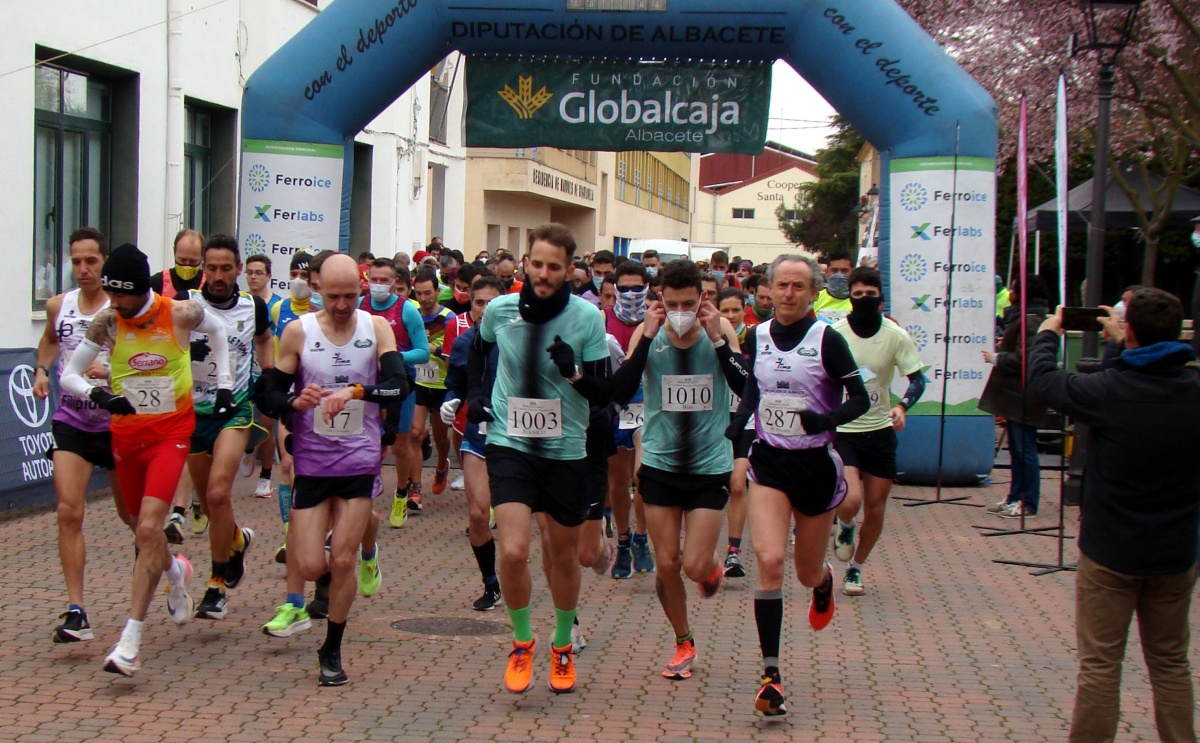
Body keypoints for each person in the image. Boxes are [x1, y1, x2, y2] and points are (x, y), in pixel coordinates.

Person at [1026, 290, 1200, 742]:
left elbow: (1045, 382)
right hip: (1175, 552)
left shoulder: (1108, 392)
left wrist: (1048, 334)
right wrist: (1120, 347)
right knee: (1170, 662)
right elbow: (1132, 370)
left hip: (1111, 551)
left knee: (1102, 665)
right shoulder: (1191, 390)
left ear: (1133, 332)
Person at [60, 243, 236, 676]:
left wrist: (226, 384)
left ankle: (130, 641)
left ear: (140, 289)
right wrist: (98, 394)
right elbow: (69, 373)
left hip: (170, 435)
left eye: (121, 294)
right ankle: (176, 573)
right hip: (126, 437)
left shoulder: (178, 313)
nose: (113, 301)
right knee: (139, 528)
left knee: (147, 528)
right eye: (110, 293)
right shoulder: (107, 322)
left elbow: (218, 333)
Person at [467, 223, 611, 695]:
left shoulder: (588, 319)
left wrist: (573, 372)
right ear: (525, 263)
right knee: (512, 550)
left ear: (570, 271)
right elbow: (479, 348)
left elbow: (602, 392)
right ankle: (523, 639)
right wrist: (475, 396)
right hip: (510, 443)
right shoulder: (502, 310)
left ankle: (563, 644)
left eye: (554, 266)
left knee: (564, 555)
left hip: (565, 449)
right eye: (537, 264)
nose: (544, 274)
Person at [257, 253, 407, 686]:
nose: (343, 305)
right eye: (334, 295)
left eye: (351, 295)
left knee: (340, 559)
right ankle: (367, 543)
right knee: (307, 564)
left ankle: (332, 649)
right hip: (313, 462)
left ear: (361, 290)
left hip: (359, 459)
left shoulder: (375, 328)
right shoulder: (298, 331)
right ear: (318, 288)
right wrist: (292, 401)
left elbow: (400, 385)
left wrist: (360, 390)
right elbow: (267, 391)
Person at [728, 254, 869, 716]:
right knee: (769, 560)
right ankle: (771, 676)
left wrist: (825, 419)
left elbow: (860, 398)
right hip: (769, 464)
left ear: (813, 293)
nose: (788, 294)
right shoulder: (758, 334)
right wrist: (740, 422)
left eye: (798, 287)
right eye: (781, 285)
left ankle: (824, 581)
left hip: (815, 467)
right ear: (767, 289)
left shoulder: (827, 339)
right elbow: (755, 386)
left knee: (805, 572)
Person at [610, 259, 746, 681]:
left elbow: (746, 387)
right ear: (660, 300)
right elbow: (621, 388)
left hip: (708, 465)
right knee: (667, 564)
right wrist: (648, 338)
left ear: (702, 299)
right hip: (660, 463)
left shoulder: (720, 328)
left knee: (692, 564)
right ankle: (683, 641)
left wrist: (719, 342)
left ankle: (710, 569)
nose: (681, 311)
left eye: (689, 302)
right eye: (672, 304)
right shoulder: (646, 331)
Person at [35, 228, 135, 643]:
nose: (83, 269)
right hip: (72, 421)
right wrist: (42, 371)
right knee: (68, 511)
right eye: (76, 261)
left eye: (91, 261)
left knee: (133, 519)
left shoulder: (122, 310)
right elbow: (48, 341)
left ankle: (170, 567)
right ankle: (77, 611)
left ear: (104, 262)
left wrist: (110, 372)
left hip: (117, 423)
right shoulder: (59, 305)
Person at [186, 235, 273, 619]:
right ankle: (236, 539)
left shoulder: (253, 306)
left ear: (238, 270)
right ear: (202, 269)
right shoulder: (187, 305)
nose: (218, 276)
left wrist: (268, 374)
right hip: (193, 413)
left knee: (220, 493)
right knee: (207, 500)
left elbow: (265, 339)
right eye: (211, 268)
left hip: (235, 410)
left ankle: (216, 583)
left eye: (225, 268)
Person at [830, 267, 925, 595]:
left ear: (881, 298)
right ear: (849, 297)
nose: (864, 300)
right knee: (850, 498)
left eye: (870, 295)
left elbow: (918, 379)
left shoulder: (895, 335)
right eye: (858, 295)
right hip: (845, 428)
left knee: (875, 507)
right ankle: (844, 525)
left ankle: (855, 568)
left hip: (880, 429)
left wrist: (902, 407)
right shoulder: (837, 333)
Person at [441, 275, 505, 610]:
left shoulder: (516, 341)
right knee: (479, 513)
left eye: (492, 302)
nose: (485, 309)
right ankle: (491, 583)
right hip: (478, 435)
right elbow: (454, 383)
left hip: (515, 438)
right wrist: (450, 401)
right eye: (479, 302)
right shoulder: (465, 343)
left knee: (512, 518)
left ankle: (514, 564)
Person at [358, 258, 430, 531]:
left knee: (400, 445)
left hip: (401, 385)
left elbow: (423, 352)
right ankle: (364, 495)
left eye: (384, 280)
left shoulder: (406, 310)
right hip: (369, 385)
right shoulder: (360, 307)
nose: (378, 285)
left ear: (395, 282)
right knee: (368, 440)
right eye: (373, 279)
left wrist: (393, 357)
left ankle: (401, 492)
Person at [979, 275, 1052, 519]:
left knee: (1024, 449)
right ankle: (1014, 497)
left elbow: (1025, 359)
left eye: (1014, 288)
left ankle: (1028, 502)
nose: (1009, 292)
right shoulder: (1025, 320)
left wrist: (997, 358)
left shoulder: (1029, 322)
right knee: (1018, 449)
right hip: (1017, 396)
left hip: (1023, 396)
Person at [603, 261, 655, 578]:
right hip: (612, 407)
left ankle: (642, 537)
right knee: (618, 481)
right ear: (614, 290)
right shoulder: (602, 320)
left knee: (644, 475)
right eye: (625, 288)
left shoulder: (655, 320)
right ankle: (623, 542)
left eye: (638, 287)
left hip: (646, 404)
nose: (631, 293)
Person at [268, 253, 314, 561]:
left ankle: (311, 530)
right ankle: (290, 536)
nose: (298, 280)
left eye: (305, 275)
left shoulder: (320, 309)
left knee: (306, 470)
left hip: (313, 395)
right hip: (286, 394)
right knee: (287, 465)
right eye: (294, 273)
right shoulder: (277, 309)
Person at [410, 267, 457, 504]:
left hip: (441, 385)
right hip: (420, 382)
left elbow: (455, 355)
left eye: (428, 293)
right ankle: (415, 489)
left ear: (437, 291)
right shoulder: (412, 314)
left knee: (440, 438)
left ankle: (441, 463)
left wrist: (435, 350)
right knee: (415, 433)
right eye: (419, 293)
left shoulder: (449, 318)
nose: (424, 298)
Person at [715, 286, 750, 576]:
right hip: (715, 419)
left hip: (745, 419)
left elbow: (745, 377)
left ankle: (733, 553)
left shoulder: (756, 336)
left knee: (738, 484)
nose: (730, 315)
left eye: (735, 310)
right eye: (724, 310)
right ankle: (706, 551)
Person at [241, 254, 282, 498]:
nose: (254, 277)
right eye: (250, 272)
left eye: (259, 272)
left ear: (268, 276)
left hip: (268, 371)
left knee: (267, 425)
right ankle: (248, 446)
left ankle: (265, 477)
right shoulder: (241, 303)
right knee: (243, 419)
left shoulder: (277, 306)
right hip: (243, 372)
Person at [150, 229, 205, 298]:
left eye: (193, 261)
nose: (187, 265)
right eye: (183, 260)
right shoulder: (157, 283)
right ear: (174, 251)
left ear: (202, 255)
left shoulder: (209, 284)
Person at [813, 250, 852, 324]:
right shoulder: (814, 298)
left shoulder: (858, 301)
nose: (839, 275)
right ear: (826, 272)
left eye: (844, 271)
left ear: (852, 272)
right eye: (834, 270)